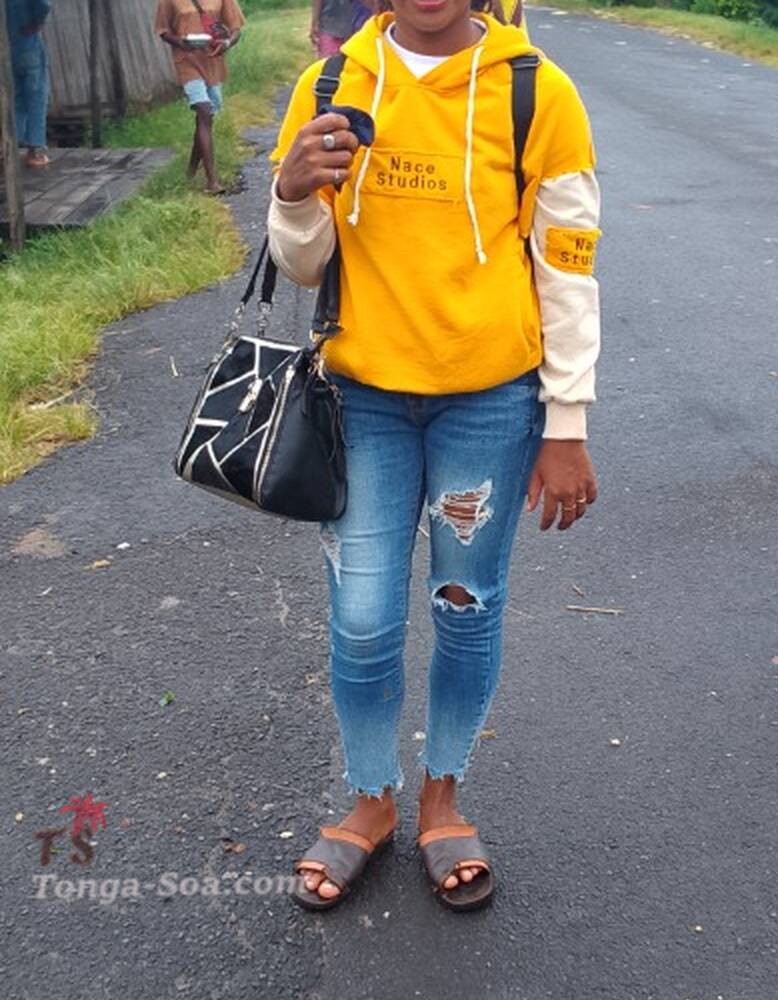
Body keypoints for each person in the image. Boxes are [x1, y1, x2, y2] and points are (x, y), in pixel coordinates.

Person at [268, 0, 600, 911]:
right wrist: (291, 193)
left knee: (466, 603)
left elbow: (568, 266)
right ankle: (370, 798)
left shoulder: (538, 92)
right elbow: (303, 265)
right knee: (363, 617)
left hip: (489, 403)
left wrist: (566, 421)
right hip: (363, 400)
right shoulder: (331, 84)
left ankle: (442, 797)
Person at [155, 0, 244, 195]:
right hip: (186, 61)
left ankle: (191, 170)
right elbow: (163, 30)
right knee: (203, 109)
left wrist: (227, 43)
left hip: (213, 60)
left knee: (206, 118)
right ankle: (212, 181)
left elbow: (236, 29)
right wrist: (181, 42)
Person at [5, 0, 52, 169]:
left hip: (11, 49)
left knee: (18, 101)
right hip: (30, 45)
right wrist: (37, 23)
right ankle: (35, 151)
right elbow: (44, 4)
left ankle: (11, 148)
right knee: (36, 99)